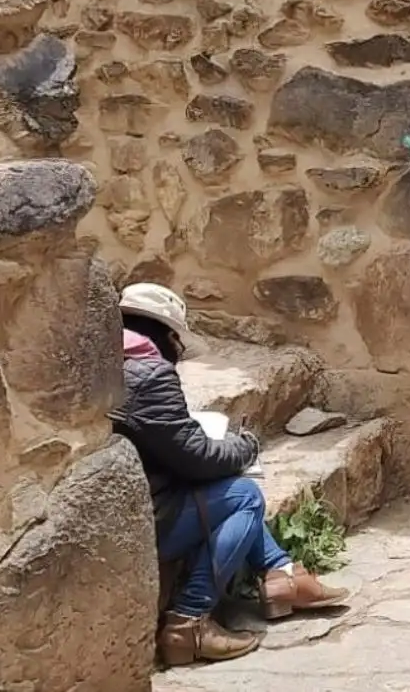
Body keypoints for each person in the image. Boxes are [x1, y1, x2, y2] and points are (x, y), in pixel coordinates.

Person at [112, 283, 346, 667]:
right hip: (144, 520)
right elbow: (196, 457)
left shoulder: (109, 362)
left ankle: (282, 574)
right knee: (244, 497)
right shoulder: (149, 374)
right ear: (169, 335)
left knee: (230, 491)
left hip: (133, 501)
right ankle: (188, 622)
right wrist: (246, 446)